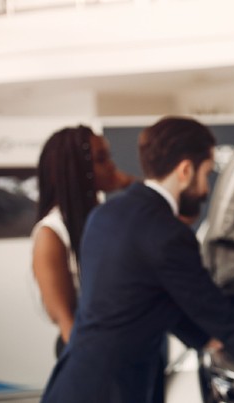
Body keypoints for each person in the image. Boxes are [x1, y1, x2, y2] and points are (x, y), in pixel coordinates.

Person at [40, 116, 234, 403]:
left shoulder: (106, 214)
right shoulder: (166, 233)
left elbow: (151, 298)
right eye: (206, 174)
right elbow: (224, 319)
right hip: (111, 393)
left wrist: (205, 341)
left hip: (72, 384)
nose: (205, 189)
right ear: (185, 170)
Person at [31, 125, 132, 357]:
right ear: (77, 168)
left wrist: (127, 183)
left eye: (109, 157)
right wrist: (92, 364)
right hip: (88, 352)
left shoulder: (98, 217)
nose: (111, 166)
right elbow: (64, 319)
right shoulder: (52, 232)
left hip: (121, 345)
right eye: (101, 159)